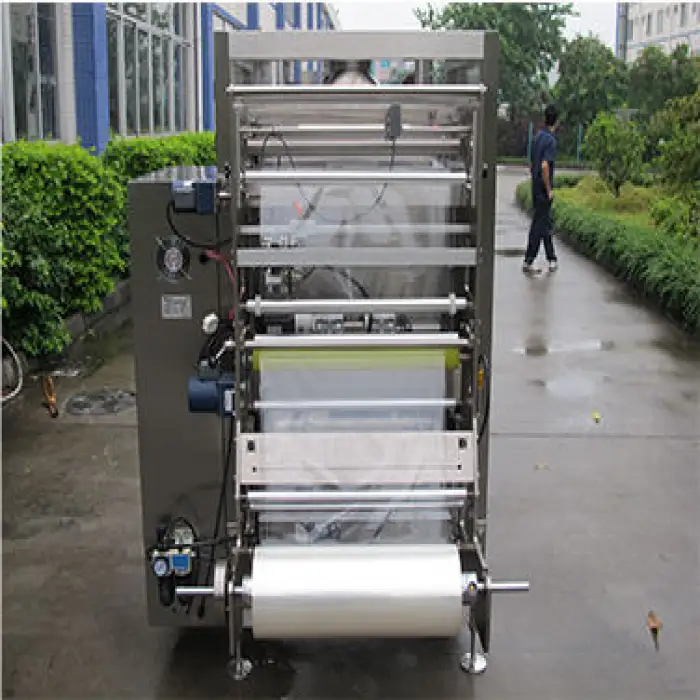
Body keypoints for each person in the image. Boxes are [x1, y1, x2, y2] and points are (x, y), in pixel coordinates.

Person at [523, 104, 560, 273]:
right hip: (543, 187)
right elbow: (545, 165)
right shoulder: (550, 140)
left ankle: (551, 258)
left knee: (544, 221)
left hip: (535, 185)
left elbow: (532, 164)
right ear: (557, 121)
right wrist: (549, 188)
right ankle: (529, 260)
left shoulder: (537, 137)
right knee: (540, 224)